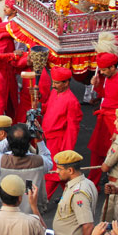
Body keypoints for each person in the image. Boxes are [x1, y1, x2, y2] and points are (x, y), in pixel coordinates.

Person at [87, 52, 118, 185]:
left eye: (104, 70)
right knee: (96, 152)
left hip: (114, 122)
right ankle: (93, 182)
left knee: (113, 155)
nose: (101, 72)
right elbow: (106, 95)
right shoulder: (107, 78)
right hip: (104, 120)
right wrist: (97, 86)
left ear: (113, 67)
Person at [0, 123, 53, 214]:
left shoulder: (1, 161)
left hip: (6, 212)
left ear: (9, 141)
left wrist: (12, 138)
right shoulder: (40, 162)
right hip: (31, 214)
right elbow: (47, 157)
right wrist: (39, 139)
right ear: (28, 142)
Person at [42, 66, 82, 197]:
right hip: (48, 139)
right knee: (59, 175)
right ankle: (70, 196)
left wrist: (67, 150)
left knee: (53, 174)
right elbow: (46, 108)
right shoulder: (54, 92)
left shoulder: (72, 101)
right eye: (53, 82)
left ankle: (42, 201)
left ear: (66, 83)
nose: (53, 85)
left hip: (59, 142)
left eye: (57, 83)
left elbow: (72, 129)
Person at [52, 150, 97, 235]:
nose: (57, 171)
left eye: (59, 169)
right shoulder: (86, 183)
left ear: (70, 170)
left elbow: (88, 225)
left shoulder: (78, 193)